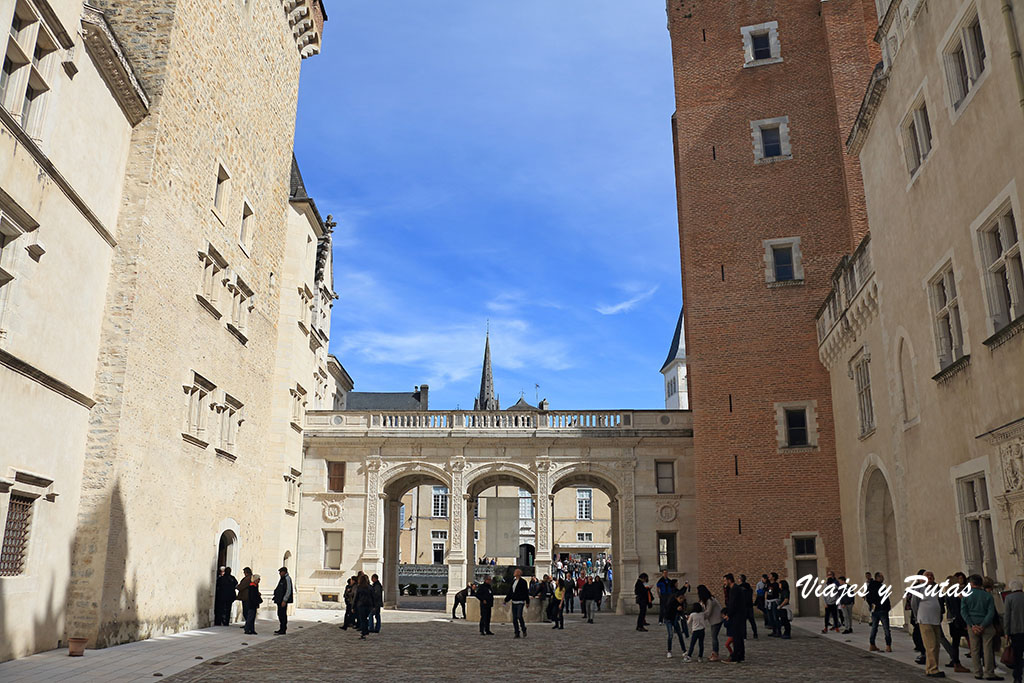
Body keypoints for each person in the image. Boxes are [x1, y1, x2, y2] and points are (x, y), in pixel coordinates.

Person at [962, 573, 999, 680]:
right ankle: (989, 672)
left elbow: (964, 612)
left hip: (972, 625)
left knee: (974, 649)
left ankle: (977, 672)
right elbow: (991, 612)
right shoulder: (987, 596)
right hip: (986, 625)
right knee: (987, 649)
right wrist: (983, 625)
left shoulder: (966, 595)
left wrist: (972, 625)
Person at [912, 570, 944, 678]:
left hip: (935, 620)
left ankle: (931, 668)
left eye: (931, 575)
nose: (930, 577)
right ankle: (933, 669)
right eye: (927, 576)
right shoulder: (919, 589)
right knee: (931, 645)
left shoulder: (936, 588)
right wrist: (917, 617)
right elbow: (914, 604)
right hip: (925, 620)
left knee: (936, 645)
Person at [943, 572, 971, 673]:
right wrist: (964, 624)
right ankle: (957, 663)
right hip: (958, 622)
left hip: (952, 621)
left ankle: (955, 662)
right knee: (960, 642)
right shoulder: (954, 594)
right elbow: (957, 610)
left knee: (955, 643)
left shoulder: (948, 593)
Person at [725, 573, 749, 663]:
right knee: (739, 637)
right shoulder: (735, 589)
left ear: (729, 580)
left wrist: (729, 614)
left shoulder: (734, 589)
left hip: (737, 616)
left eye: (725, 580)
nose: (724, 582)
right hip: (739, 615)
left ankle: (736, 656)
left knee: (736, 637)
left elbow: (733, 604)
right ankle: (740, 655)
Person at [696, 584, 724, 661]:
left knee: (714, 637)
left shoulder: (710, 600)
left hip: (717, 620)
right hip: (714, 620)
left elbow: (708, 612)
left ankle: (715, 653)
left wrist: (698, 617)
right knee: (714, 637)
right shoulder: (708, 600)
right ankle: (714, 652)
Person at [867, 571, 892, 652]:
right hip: (882, 609)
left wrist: (871, 605)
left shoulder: (870, 586)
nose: (883, 578)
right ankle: (888, 646)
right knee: (886, 628)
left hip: (875, 610)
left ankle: (872, 644)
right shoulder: (881, 586)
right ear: (878, 577)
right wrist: (888, 607)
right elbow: (885, 598)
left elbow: (868, 598)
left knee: (874, 627)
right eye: (881, 577)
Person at [1005, 579, 1024, 683]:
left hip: (1015, 630)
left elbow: (1007, 616)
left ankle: (1018, 677)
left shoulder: (1009, 598)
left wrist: (1006, 632)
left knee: (1017, 655)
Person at [504, 568, 530, 638]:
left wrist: (527, 602)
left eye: (515, 572)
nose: (514, 573)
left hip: (520, 601)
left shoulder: (523, 582)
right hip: (514, 601)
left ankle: (523, 628)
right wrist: (506, 599)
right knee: (514, 618)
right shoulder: (513, 581)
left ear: (518, 573)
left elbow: (525, 592)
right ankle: (516, 632)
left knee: (519, 616)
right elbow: (510, 592)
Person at [664, 588, 688, 658]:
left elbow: (681, 612)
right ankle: (669, 651)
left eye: (682, 598)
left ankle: (684, 650)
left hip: (675, 620)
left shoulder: (682, 603)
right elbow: (667, 612)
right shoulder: (671, 603)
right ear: (676, 598)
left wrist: (683, 615)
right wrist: (676, 609)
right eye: (680, 598)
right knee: (670, 635)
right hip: (668, 619)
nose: (681, 600)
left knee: (680, 635)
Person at [273, 566, 294, 635]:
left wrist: (284, 600)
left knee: (282, 615)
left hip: (282, 600)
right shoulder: (282, 579)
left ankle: (283, 629)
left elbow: (288, 590)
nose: (279, 573)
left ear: (284, 572)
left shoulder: (287, 579)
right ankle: (281, 628)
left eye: (280, 572)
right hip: (279, 600)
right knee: (280, 614)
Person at [355, 574, 374, 640]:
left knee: (363, 619)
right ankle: (366, 631)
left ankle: (364, 632)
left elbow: (356, 598)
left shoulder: (359, 587)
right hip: (369, 605)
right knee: (365, 618)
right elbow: (373, 597)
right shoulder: (370, 587)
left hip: (361, 605)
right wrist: (374, 605)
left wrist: (353, 606)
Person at [739, 574, 757, 639]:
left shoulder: (740, 588)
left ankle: (744, 635)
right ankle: (755, 633)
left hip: (743, 607)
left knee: (743, 622)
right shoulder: (749, 588)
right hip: (749, 606)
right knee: (752, 621)